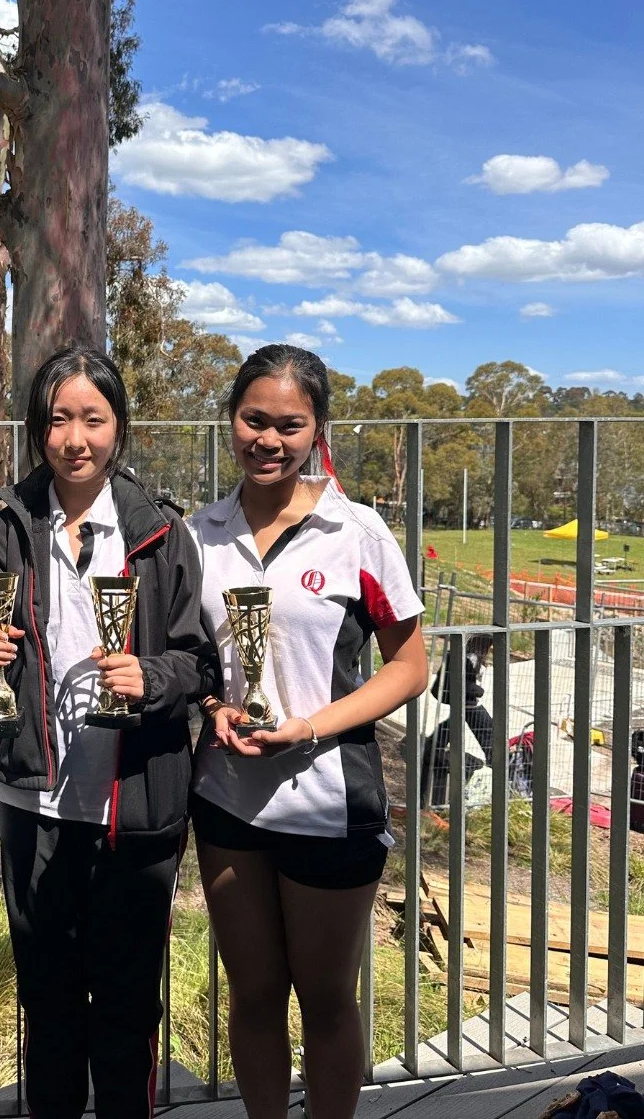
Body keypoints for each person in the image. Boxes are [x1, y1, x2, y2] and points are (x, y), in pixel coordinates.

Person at [0, 344, 213, 1119]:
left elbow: (199, 662)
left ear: (119, 427)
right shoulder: (5, 529)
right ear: (39, 429)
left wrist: (157, 678)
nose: (76, 438)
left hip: (134, 803)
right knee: (48, 1001)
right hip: (33, 801)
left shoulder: (161, 534)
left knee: (128, 1005)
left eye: (93, 419)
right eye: (58, 419)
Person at [188, 344, 428, 1119]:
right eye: (254, 420)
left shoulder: (357, 532)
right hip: (227, 803)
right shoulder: (199, 534)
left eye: (290, 425)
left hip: (332, 804)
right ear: (231, 422)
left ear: (317, 429)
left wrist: (311, 726)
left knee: (325, 1000)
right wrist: (213, 709)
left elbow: (408, 667)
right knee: (253, 996)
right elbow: (190, 662)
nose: (270, 440)